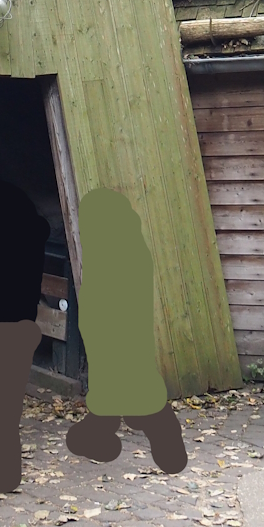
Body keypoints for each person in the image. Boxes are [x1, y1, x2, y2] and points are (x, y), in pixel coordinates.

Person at [65, 188, 187, 473]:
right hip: (123, 340)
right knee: (120, 392)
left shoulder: (110, 253)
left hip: (114, 339)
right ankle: (101, 434)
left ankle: (158, 427)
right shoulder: (133, 249)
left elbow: (98, 304)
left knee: (127, 390)